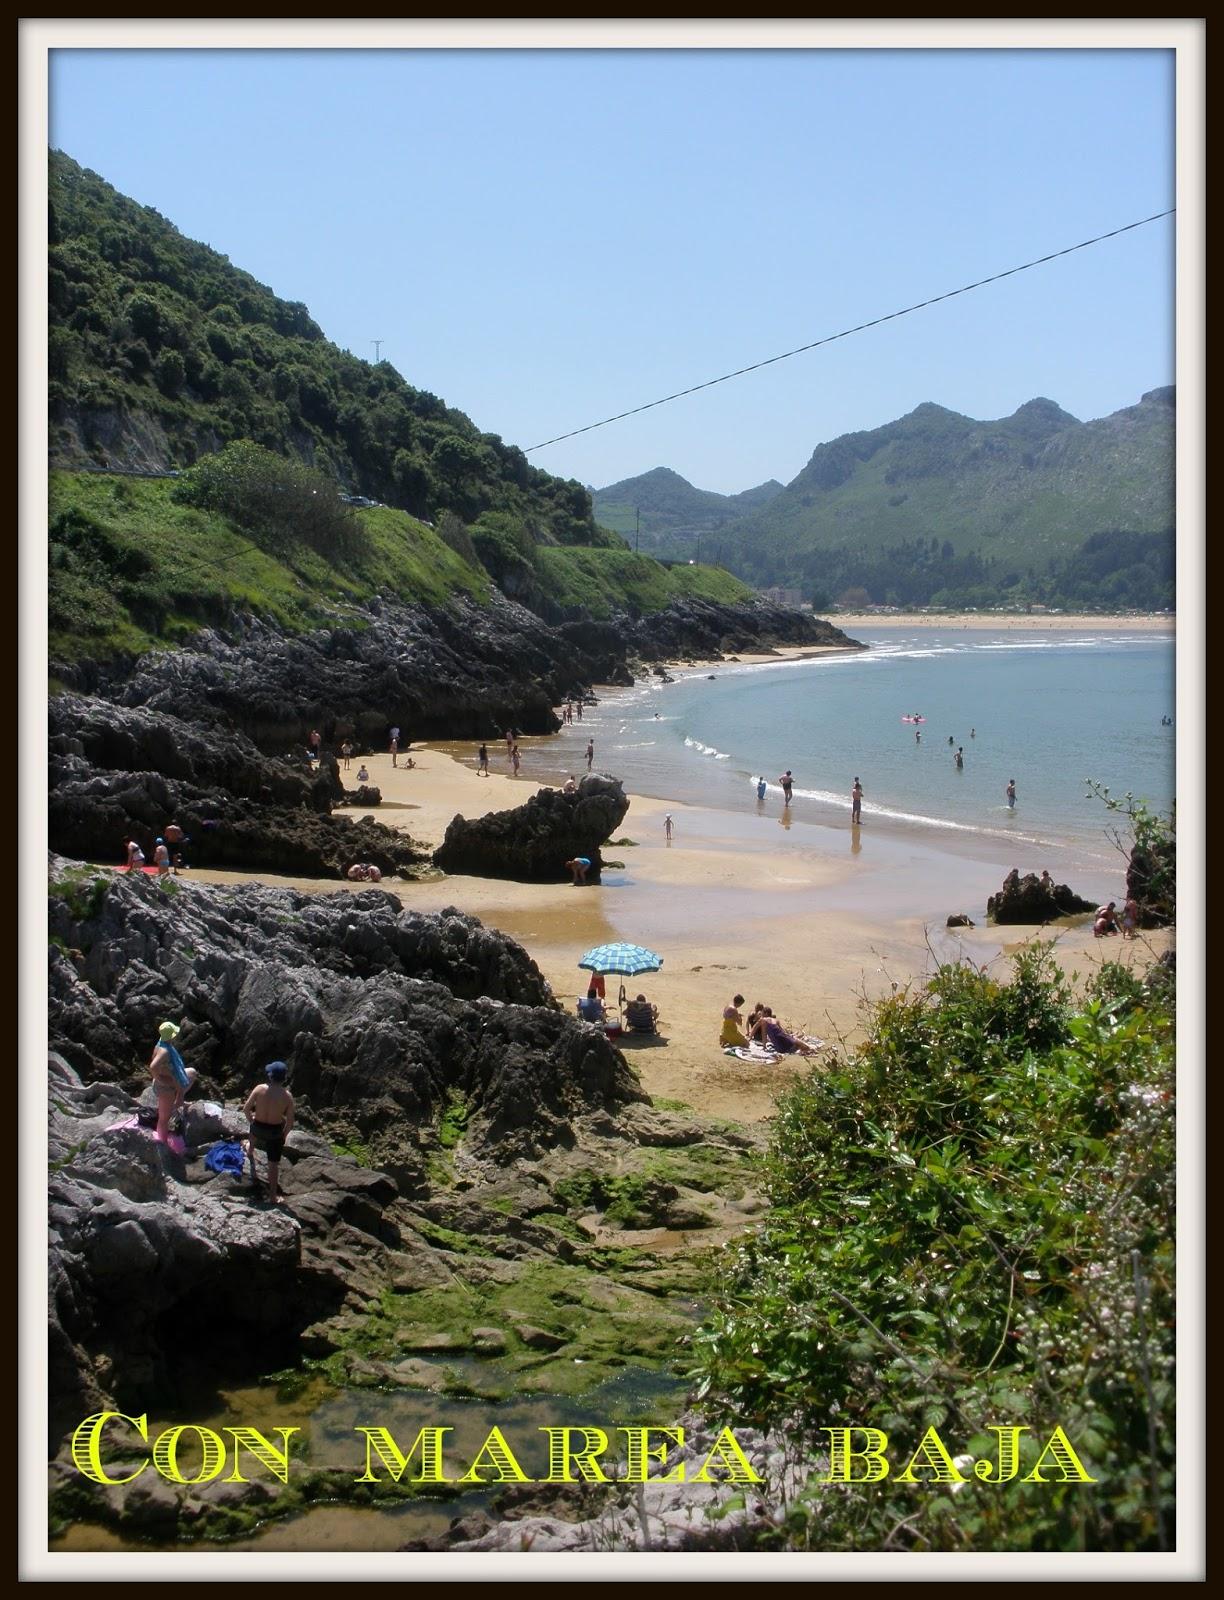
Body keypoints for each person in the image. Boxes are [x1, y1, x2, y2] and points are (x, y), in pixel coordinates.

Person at [243, 1061, 295, 1205]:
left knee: (254, 1131)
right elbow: (290, 1122)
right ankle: (273, 1196)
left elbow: (246, 1109)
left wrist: (251, 1121)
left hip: (258, 1128)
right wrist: (283, 1136)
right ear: (284, 1078)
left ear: (270, 1076)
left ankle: (250, 1149)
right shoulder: (287, 1096)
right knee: (273, 1165)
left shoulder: (259, 1089)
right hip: (273, 1133)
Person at [149, 1021, 197, 1143]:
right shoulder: (164, 1051)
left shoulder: (163, 1042)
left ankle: (179, 1099)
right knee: (164, 1118)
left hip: (174, 1080)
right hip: (165, 1087)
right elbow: (153, 1067)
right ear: (171, 1036)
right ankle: (163, 1142)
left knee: (191, 1073)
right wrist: (162, 1079)